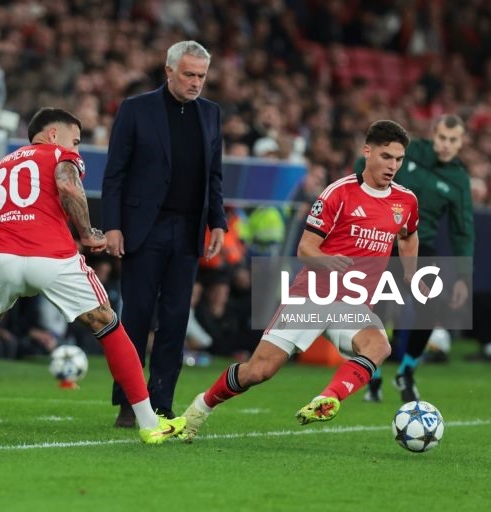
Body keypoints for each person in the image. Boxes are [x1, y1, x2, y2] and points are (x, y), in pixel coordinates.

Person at [0, 108, 186, 445]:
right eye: (76, 140)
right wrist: (86, 234)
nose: (77, 148)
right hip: (51, 257)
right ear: (54, 135)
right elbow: (67, 184)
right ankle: (148, 422)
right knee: (109, 325)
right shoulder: (60, 154)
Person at [178, 120, 421, 441]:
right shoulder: (338, 194)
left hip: (353, 303)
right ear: (367, 151)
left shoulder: (405, 201)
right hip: (314, 296)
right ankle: (199, 409)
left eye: (399, 159)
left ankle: (328, 399)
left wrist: (410, 271)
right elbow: (305, 248)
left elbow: (408, 235)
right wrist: (326, 260)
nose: (393, 166)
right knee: (258, 371)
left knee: (378, 345)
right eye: (386, 156)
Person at [101, 40, 227, 427]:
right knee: (136, 316)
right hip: (144, 228)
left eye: (201, 76)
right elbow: (115, 173)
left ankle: (161, 404)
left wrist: (218, 221)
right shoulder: (136, 109)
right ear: (168, 71)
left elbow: (214, 175)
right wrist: (113, 226)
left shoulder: (211, 114)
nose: (195, 82)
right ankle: (128, 403)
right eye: (188, 74)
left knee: (175, 320)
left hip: (188, 229)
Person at [354, 114, 475, 402]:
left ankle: (405, 372)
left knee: (431, 306)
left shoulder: (458, 179)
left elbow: (463, 230)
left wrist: (462, 277)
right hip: (381, 242)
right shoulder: (407, 153)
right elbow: (363, 166)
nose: (446, 145)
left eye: (452, 140)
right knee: (375, 310)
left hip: (423, 248)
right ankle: (374, 375)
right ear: (434, 134)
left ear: (461, 143)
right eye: (442, 138)